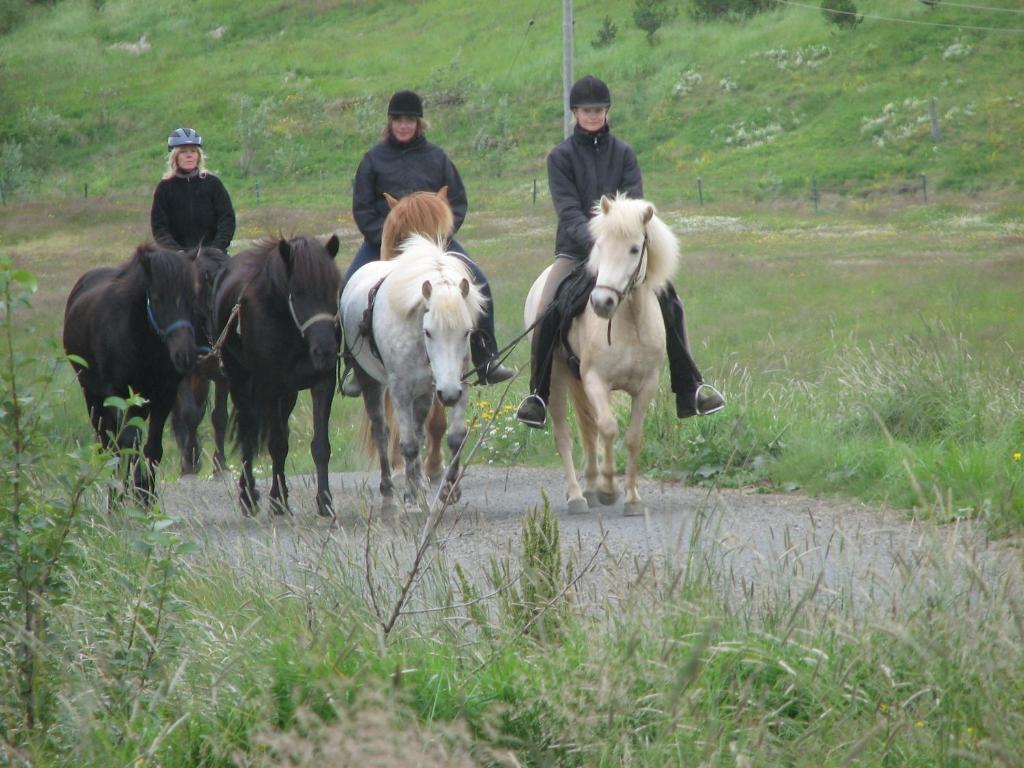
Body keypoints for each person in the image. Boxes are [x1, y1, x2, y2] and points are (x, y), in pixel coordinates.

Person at [515, 75, 725, 428]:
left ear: (607, 111)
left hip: (623, 255)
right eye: (586, 110)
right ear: (575, 113)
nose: (593, 115)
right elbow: (568, 213)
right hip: (575, 251)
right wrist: (598, 248)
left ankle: (690, 387)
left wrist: (618, 249)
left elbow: (636, 204)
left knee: (672, 301)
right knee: (547, 304)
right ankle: (537, 394)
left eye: (598, 110)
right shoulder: (560, 158)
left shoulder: (624, 153)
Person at [341, 89, 514, 396]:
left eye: (410, 119)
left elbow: (457, 202)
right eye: (398, 120)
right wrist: (386, 234)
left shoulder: (437, 158)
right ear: (390, 123)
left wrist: (442, 235)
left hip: (435, 244)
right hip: (387, 242)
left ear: (419, 123)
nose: (404, 125)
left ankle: (485, 357)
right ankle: (355, 364)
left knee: (480, 283)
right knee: (346, 288)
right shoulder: (373, 160)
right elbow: (363, 207)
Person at [151, 127, 236, 254]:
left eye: (193, 151)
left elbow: (227, 219)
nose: (189, 155)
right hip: (178, 258)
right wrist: (176, 251)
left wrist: (216, 248)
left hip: (213, 254)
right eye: (183, 152)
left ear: (198, 156)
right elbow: (160, 228)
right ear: (175, 157)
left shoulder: (212, 184)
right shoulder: (165, 188)